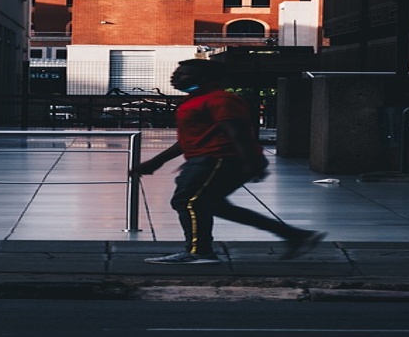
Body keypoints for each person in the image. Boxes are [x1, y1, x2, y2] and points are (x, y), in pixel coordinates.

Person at [131, 59, 326, 265]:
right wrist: (156, 162)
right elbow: (187, 140)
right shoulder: (194, 100)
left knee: (189, 202)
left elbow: (237, 132)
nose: (176, 77)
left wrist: (250, 161)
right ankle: (296, 236)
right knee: (214, 205)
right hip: (204, 160)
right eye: (177, 73)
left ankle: (200, 252)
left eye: (183, 74)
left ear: (204, 78)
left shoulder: (221, 100)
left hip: (217, 159)